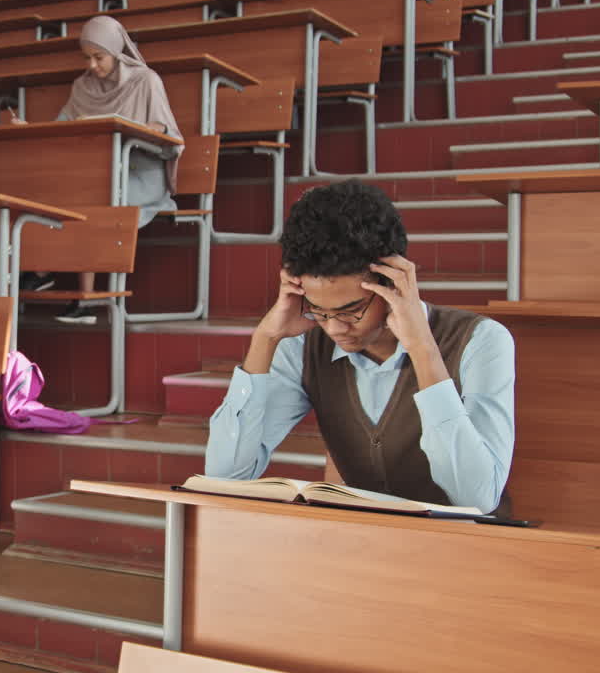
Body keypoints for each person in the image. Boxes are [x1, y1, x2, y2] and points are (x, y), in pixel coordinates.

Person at [204, 180, 515, 515]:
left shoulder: (481, 341)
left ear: (393, 281)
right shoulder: (304, 347)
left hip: (468, 550)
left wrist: (422, 348)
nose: (335, 328)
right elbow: (226, 476)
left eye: (352, 311)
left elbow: (477, 498)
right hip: (364, 546)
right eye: (318, 310)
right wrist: (264, 341)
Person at [11, 15, 182, 323]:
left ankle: (53, 279)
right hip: (100, 171)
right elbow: (61, 127)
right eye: (87, 58)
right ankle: (76, 297)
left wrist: (128, 130)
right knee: (79, 189)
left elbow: (162, 131)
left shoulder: (146, 80)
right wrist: (29, 128)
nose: (92, 65)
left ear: (116, 52)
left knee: (92, 194)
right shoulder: (82, 86)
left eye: (98, 57)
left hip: (141, 171)